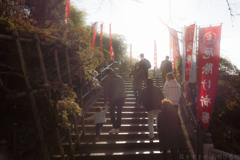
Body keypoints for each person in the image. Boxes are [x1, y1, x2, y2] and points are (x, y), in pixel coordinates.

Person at [104, 68, 126, 134]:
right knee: (119, 113)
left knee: (111, 112)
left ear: (107, 74)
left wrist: (105, 101)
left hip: (113, 98)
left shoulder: (108, 79)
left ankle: (115, 127)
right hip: (121, 97)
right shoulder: (119, 77)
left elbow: (106, 90)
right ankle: (117, 128)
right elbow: (123, 87)